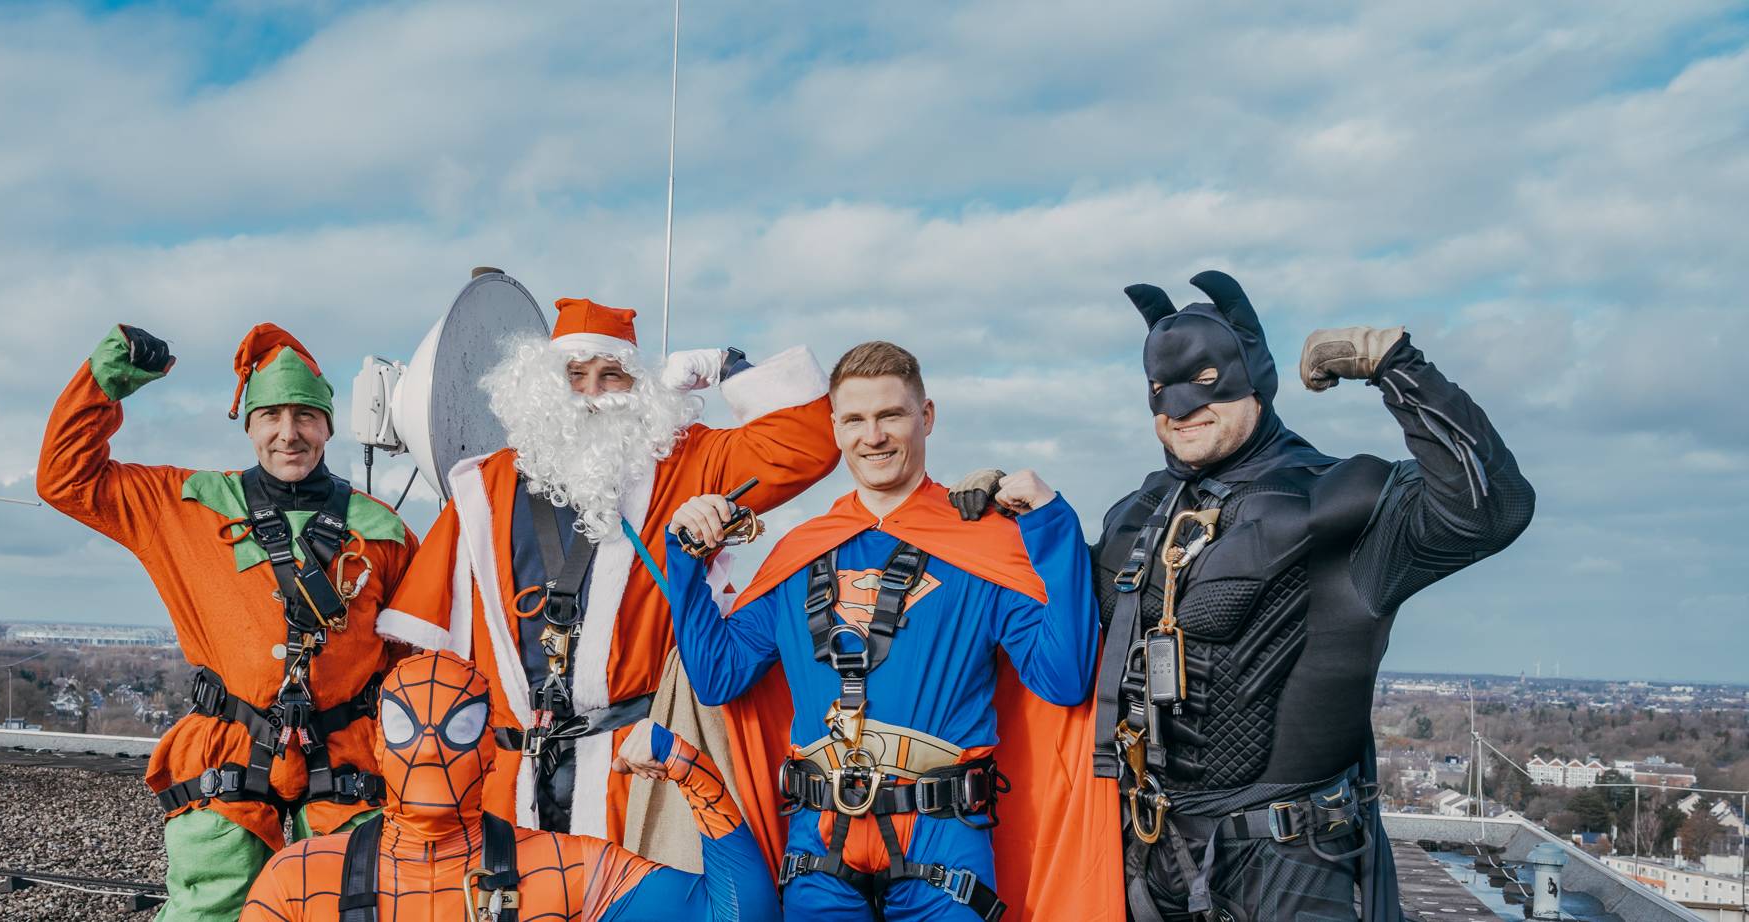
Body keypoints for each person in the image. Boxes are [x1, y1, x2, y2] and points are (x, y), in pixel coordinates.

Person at [958, 271, 1535, 921]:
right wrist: (1011, 529)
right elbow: (1068, 633)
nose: (1180, 408)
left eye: (1206, 382)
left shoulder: (1338, 499)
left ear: (1254, 377)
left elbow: (1491, 509)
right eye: (1160, 390)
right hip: (1144, 858)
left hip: (1293, 869)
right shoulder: (1134, 517)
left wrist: (1399, 367)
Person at [663, 341, 1116, 921]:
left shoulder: (984, 545)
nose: (871, 436)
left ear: (925, 417)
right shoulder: (799, 553)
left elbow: (1065, 679)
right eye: (854, 419)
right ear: (834, 428)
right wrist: (685, 556)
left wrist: (1053, 525)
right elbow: (717, 678)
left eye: (890, 415)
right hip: (819, 839)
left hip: (943, 834)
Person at [378, 297, 839, 850]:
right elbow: (428, 659)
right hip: (507, 782)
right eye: (575, 377)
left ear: (639, 389)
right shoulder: (482, 488)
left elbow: (808, 444)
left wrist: (727, 365)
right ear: (545, 388)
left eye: (611, 376)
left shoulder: (686, 462)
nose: (592, 394)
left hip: (638, 770)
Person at [39, 323, 417, 921]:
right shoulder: (186, 503)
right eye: (270, 416)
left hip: (349, 756)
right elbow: (67, 479)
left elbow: (415, 662)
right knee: (210, 908)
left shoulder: (383, 531)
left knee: (357, 906)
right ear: (249, 425)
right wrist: (105, 380)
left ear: (328, 426)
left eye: (305, 416)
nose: (288, 434)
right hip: (227, 749)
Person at [238, 650, 781, 922]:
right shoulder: (300, 879)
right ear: (379, 744)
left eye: (460, 727)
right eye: (407, 726)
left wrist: (688, 766)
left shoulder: (567, 871)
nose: (430, 748)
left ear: (489, 752)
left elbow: (737, 917)